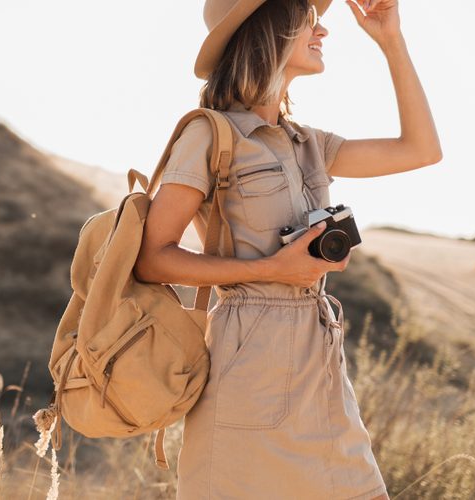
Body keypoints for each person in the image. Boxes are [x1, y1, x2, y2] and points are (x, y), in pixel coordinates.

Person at [133, 0, 441, 498]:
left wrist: (391, 42)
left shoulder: (309, 143)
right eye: (307, 18)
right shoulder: (209, 134)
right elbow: (151, 259)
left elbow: (421, 150)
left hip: (321, 364)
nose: (323, 29)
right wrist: (273, 269)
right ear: (270, 30)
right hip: (248, 364)